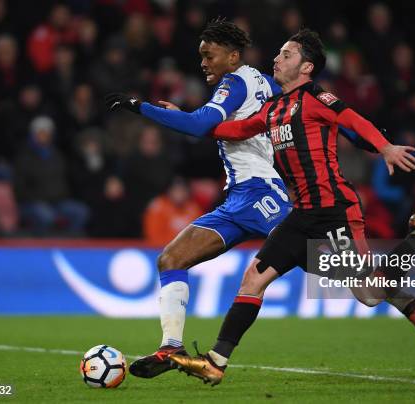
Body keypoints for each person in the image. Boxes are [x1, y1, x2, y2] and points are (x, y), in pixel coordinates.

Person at [170, 29, 415, 386]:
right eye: (279, 53)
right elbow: (237, 129)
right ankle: (216, 361)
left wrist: (385, 147)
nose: (277, 59)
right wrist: (187, 121)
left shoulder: (316, 98)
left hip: (335, 211)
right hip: (302, 214)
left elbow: (352, 120)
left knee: (368, 293)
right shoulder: (274, 108)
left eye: (287, 54)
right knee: (254, 278)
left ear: (306, 67)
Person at [105, 19, 292, 379]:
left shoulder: (234, 81)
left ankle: (407, 303)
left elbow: (197, 127)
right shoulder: (264, 82)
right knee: (172, 257)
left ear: (233, 56)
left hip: (262, 194)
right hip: (239, 198)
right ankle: (171, 346)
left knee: (328, 264)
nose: (203, 63)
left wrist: (138, 106)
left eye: (210, 55)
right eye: (200, 56)